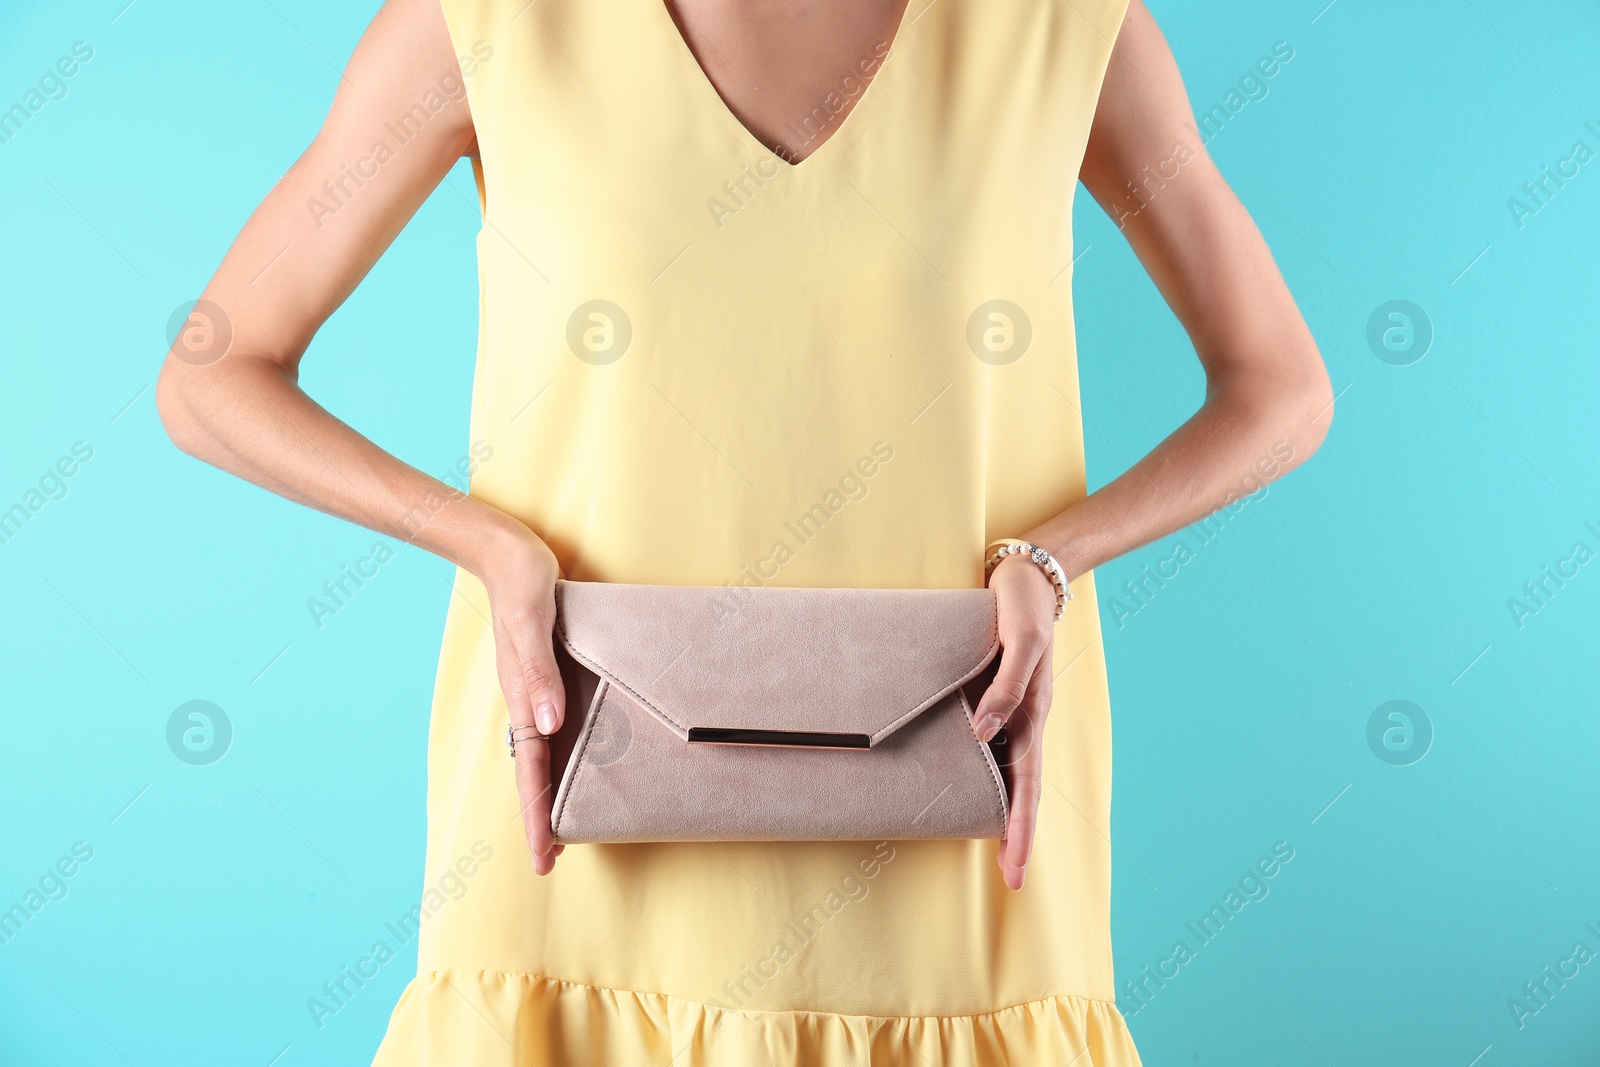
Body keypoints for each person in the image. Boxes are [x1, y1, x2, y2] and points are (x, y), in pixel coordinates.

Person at [156, 0, 1331, 1062]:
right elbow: (213, 374)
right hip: (575, 799)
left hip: (957, 811)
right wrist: (486, 543)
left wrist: (1052, 554)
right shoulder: (479, 23)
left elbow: (1280, 386)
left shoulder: (1065, 27)